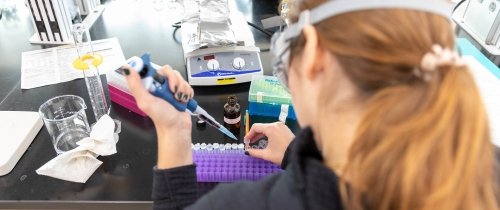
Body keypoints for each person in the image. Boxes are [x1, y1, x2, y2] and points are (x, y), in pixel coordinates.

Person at [121, 0, 500, 209]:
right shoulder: (486, 167)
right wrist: (296, 155)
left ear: (314, 50)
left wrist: (172, 131)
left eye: (290, 26)